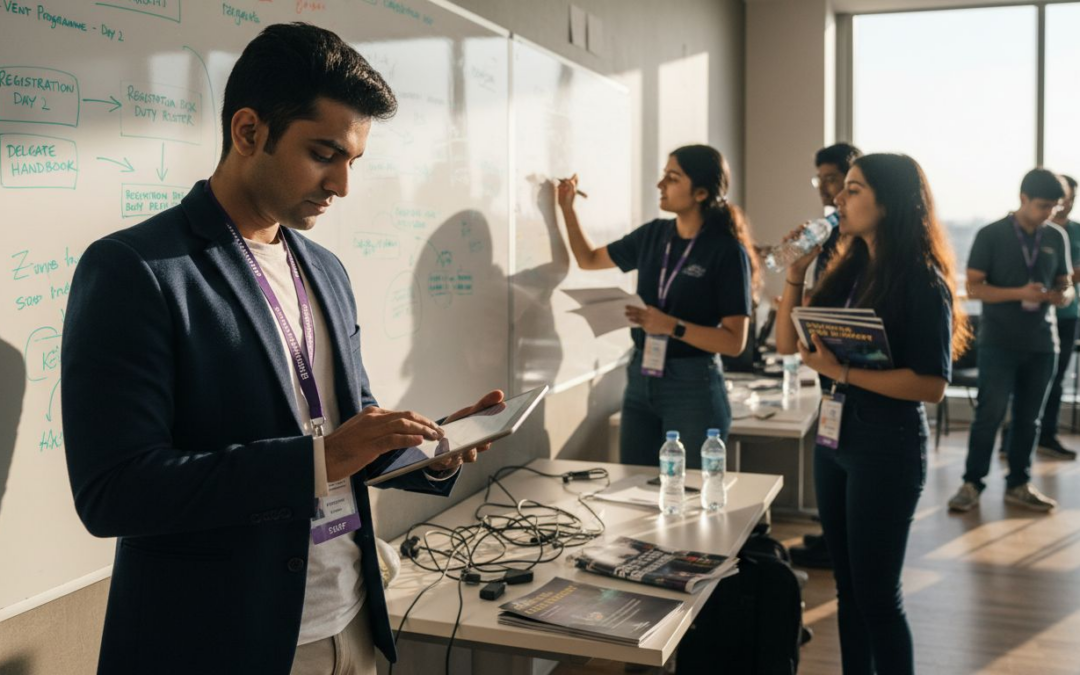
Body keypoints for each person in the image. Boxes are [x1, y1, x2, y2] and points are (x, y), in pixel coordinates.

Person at [62, 23, 501, 675]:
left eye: (353, 160)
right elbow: (115, 492)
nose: (343, 185)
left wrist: (433, 450)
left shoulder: (326, 270)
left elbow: (350, 422)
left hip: (352, 624)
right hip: (223, 643)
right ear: (248, 132)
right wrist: (323, 458)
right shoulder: (137, 269)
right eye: (324, 153)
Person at [776, 153, 970, 675]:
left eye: (854, 189)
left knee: (878, 597)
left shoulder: (922, 280)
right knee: (847, 589)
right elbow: (784, 341)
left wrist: (842, 374)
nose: (838, 198)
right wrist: (795, 273)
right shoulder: (849, 269)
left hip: (887, 443)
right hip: (835, 437)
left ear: (890, 203)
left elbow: (930, 385)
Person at [556, 145, 755, 468]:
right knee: (635, 484)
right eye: (664, 176)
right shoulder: (653, 235)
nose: (661, 185)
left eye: (672, 178)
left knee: (689, 494)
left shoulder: (726, 252)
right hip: (641, 377)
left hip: (693, 385)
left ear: (701, 193)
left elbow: (734, 342)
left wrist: (671, 325)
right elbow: (588, 259)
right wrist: (567, 208)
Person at [949, 169, 1072, 514]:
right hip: (999, 342)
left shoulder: (1055, 236)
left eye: (1055, 206)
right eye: (1044, 205)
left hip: (1042, 344)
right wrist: (1019, 292)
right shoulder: (991, 234)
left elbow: (1066, 283)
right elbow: (973, 287)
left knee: (1028, 419)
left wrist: (1063, 295)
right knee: (989, 416)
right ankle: (972, 483)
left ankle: (1019, 483)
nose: (1050, 212)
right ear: (1023, 198)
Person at [1037, 174, 1080, 460]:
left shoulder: (1076, 231)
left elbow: (1066, 282)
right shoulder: (1034, 231)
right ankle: (1013, 438)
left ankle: (1048, 435)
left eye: (1072, 200)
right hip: (1034, 316)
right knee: (1028, 379)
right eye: (1063, 199)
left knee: (1057, 376)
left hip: (1066, 315)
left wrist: (1063, 281)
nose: (1066, 205)